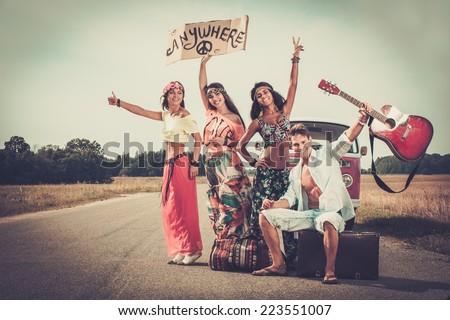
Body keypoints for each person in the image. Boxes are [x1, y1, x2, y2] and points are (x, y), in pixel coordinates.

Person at [252, 103, 372, 283]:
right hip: (309, 216)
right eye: (295, 144)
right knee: (265, 216)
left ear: (309, 139)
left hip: (331, 213)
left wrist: (361, 120)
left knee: (328, 220)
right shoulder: (295, 172)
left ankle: (330, 270)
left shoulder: (328, 155)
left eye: (302, 142)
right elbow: (289, 198)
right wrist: (273, 205)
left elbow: (347, 138)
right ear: (291, 146)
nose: (300, 146)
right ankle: (278, 264)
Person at [107, 82, 203, 265]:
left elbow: (198, 140)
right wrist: (119, 102)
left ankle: (193, 249)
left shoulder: (185, 115)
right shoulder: (167, 116)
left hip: (182, 163)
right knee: (171, 210)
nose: (177, 96)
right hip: (168, 166)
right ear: (166, 96)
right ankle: (181, 249)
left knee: (185, 209)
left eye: (180, 92)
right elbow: (141, 111)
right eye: (173, 93)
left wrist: (195, 163)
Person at [237, 37, 303, 263]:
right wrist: (255, 162)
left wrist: (295, 58)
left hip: (286, 173)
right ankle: (266, 257)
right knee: (261, 214)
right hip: (266, 174)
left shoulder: (285, 112)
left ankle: (292, 259)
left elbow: (293, 85)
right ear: (256, 101)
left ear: (271, 94)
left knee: (288, 213)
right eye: (258, 95)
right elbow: (240, 146)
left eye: (265, 92)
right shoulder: (258, 121)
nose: (263, 96)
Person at [199, 54, 252, 239]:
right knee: (216, 199)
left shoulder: (235, 118)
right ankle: (223, 237)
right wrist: (203, 64)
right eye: (210, 96)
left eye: (217, 94)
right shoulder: (210, 113)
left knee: (231, 199)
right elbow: (201, 86)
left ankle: (237, 236)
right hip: (210, 162)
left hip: (228, 162)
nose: (214, 98)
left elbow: (241, 143)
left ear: (224, 94)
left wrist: (225, 142)